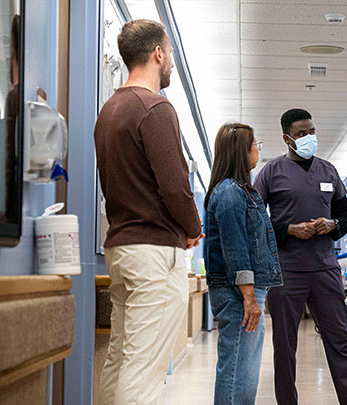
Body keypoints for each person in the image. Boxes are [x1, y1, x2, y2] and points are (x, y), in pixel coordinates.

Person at [94, 19, 204, 405]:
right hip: (154, 253)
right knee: (144, 372)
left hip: (122, 251)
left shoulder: (109, 110)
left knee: (121, 359)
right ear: (158, 53)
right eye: (170, 53)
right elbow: (175, 186)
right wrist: (193, 227)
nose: (171, 61)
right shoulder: (155, 107)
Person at [253, 108, 347, 405]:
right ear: (287, 138)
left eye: (312, 131)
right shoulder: (271, 172)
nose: (309, 137)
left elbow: (346, 213)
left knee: (340, 342)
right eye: (302, 134)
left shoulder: (328, 171)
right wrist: (288, 229)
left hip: (325, 269)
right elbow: (255, 221)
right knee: (285, 346)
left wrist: (333, 225)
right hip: (287, 271)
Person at [203, 123, 282, 405]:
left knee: (242, 366)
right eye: (254, 146)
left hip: (243, 291)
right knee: (238, 369)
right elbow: (235, 248)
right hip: (239, 293)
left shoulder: (238, 191)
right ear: (241, 152)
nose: (257, 151)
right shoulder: (230, 193)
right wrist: (249, 297)